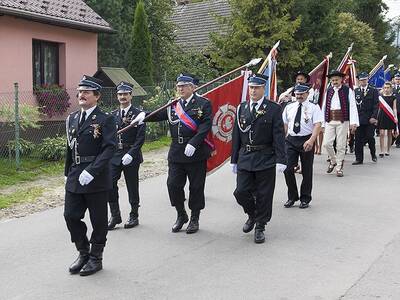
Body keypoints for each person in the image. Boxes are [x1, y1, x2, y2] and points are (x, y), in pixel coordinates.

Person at [132, 73, 212, 234]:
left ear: (192, 87)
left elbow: (205, 126)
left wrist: (194, 143)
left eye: (184, 86)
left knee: (196, 187)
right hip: (176, 152)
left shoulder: (203, 104)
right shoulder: (173, 105)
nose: (180, 88)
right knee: (173, 185)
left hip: (195, 152)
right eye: (178, 86)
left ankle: (194, 218)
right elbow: (159, 115)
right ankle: (181, 214)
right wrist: (144, 116)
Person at [64, 75, 117, 276]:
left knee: (98, 220)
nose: (81, 95)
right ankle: (83, 251)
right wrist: (67, 172)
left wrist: (92, 171)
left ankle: (96, 257)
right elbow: (69, 148)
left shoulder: (106, 119)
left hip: (96, 176)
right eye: (80, 91)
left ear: (97, 96)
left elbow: (109, 149)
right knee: (70, 216)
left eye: (86, 91)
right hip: (75, 175)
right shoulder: (72, 118)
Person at [231, 74, 286, 244]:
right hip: (246, 157)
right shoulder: (241, 108)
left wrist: (281, 159)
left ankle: (260, 225)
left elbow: (278, 135)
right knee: (240, 191)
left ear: (264, 89)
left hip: (265, 157)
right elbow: (236, 135)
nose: (253, 91)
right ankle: (252, 214)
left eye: (256, 88)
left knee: (264, 194)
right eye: (251, 87)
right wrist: (234, 159)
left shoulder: (274, 109)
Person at [108, 81, 146, 230]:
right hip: (115, 155)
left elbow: (140, 137)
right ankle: (115, 215)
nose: (122, 97)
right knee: (109, 184)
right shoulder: (113, 115)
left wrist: (132, 153)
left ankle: (134, 214)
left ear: (131, 95)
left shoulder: (139, 114)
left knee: (132, 185)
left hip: (131, 154)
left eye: (125, 94)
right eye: (120, 94)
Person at [282, 83, 323, 209]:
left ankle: (305, 198)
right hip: (291, 140)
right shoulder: (289, 107)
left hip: (306, 140)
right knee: (287, 169)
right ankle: (292, 196)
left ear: (307, 94)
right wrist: (284, 138)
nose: (299, 96)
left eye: (302, 94)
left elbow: (317, 125)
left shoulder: (314, 107)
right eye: (297, 94)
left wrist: (311, 140)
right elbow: (285, 123)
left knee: (306, 170)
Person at [322, 70, 359, 177]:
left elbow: (352, 106)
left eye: (336, 80)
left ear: (341, 79)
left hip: (343, 120)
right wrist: (323, 123)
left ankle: (339, 167)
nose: (334, 82)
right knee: (327, 143)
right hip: (330, 119)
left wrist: (353, 122)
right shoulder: (328, 91)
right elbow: (324, 106)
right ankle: (333, 161)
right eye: (333, 80)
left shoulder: (348, 90)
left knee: (341, 145)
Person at [352, 72, 379, 164]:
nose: (363, 81)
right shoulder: (355, 91)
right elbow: (353, 107)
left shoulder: (373, 90)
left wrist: (373, 117)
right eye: (361, 80)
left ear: (367, 80)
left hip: (369, 119)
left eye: (365, 79)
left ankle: (373, 154)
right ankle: (359, 158)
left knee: (370, 137)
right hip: (359, 119)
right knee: (358, 139)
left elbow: (376, 105)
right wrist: (353, 120)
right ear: (359, 81)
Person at [378, 82, 398, 156]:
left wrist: (395, 117)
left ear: (390, 88)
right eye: (385, 87)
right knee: (382, 134)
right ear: (383, 88)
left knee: (389, 133)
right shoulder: (380, 97)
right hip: (381, 116)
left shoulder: (393, 97)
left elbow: (394, 108)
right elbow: (378, 108)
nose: (386, 89)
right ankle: (381, 151)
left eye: (388, 87)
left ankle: (388, 150)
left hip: (390, 116)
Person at [393, 73, 400, 148]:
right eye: (396, 79)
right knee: (393, 126)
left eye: (399, 79)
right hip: (392, 111)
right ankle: (392, 139)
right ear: (394, 80)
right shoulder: (391, 88)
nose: (398, 81)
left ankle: (398, 142)